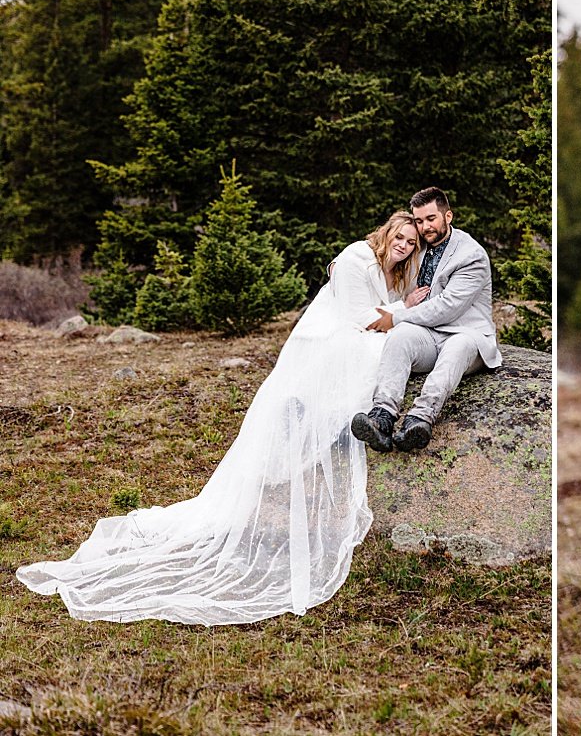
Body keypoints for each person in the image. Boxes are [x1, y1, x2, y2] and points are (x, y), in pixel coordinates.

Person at [17, 213, 425, 625]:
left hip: (352, 335)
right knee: (377, 354)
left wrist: (400, 307)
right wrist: (403, 311)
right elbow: (362, 319)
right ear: (387, 233)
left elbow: (385, 313)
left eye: (411, 241)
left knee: (385, 352)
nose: (404, 245)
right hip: (328, 339)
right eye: (400, 236)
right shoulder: (356, 257)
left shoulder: (398, 276)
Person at [350, 186, 501, 453]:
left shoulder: (471, 255)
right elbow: (381, 251)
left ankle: (419, 419)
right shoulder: (417, 249)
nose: (424, 227)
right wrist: (343, 263)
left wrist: (397, 316)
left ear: (448, 216)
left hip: (466, 335)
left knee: (456, 346)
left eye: (431, 218)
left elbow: (448, 308)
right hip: (429, 335)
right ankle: (382, 416)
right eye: (419, 221)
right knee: (400, 336)